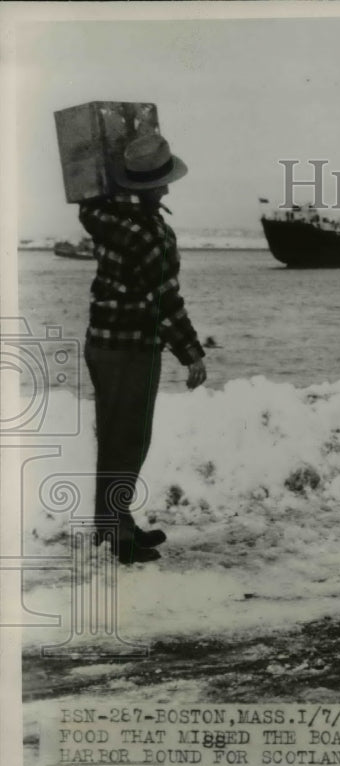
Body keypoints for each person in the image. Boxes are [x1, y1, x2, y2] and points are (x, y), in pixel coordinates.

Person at [78, 133, 207, 565]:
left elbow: (90, 203)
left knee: (114, 440)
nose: (167, 189)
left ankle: (114, 524)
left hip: (101, 345)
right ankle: (118, 534)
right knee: (129, 441)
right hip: (133, 348)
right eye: (162, 183)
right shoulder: (150, 234)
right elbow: (164, 302)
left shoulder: (102, 215)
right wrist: (191, 352)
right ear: (146, 187)